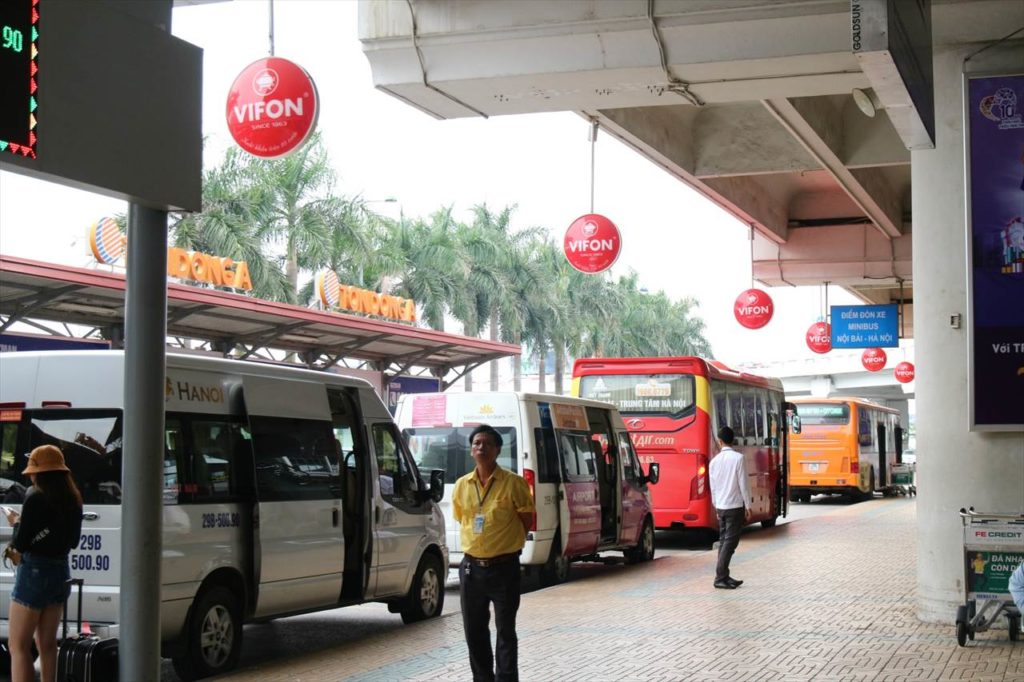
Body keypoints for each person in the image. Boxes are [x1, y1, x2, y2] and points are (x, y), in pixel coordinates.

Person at [452, 425, 535, 682]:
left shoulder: (514, 483)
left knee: (505, 631)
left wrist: (508, 544)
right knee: (474, 632)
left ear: (498, 449)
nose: (481, 447)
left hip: (504, 568)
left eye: (487, 443)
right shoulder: (462, 485)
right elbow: (461, 519)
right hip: (471, 569)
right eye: (477, 443)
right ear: (471, 449)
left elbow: (527, 519)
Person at [3, 445, 84, 682]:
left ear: (39, 472)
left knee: (17, 645)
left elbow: (20, 543)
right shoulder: (74, 498)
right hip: (60, 572)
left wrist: (15, 521)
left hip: (34, 574)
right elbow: (74, 541)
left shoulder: (34, 496)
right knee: (47, 645)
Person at [708, 425, 752, 590]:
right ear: (732, 440)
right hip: (734, 506)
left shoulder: (714, 462)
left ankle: (723, 575)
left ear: (720, 441)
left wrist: (716, 506)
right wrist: (748, 505)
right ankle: (720, 576)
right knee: (730, 542)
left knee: (724, 540)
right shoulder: (738, 459)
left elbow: (713, 487)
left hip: (721, 506)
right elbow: (743, 484)